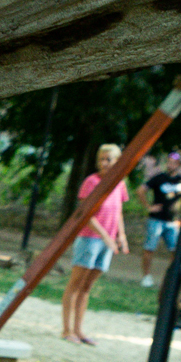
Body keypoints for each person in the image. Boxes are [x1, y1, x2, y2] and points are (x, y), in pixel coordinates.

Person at [60, 145, 129, 346]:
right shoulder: (91, 182)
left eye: (109, 159)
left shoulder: (120, 184)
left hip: (106, 241)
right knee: (75, 284)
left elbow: (119, 211)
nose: (104, 163)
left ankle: (79, 330)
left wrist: (120, 234)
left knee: (87, 287)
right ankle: (67, 330)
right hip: (90, 239)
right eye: (101, 159)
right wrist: (105, 236)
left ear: (118, 161)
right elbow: (86, 214)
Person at [139, 155, 181, 282]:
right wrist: (148, 207)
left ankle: (170, 277)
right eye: (169, 162)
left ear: (178, 165)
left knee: (175, 250)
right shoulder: (159, 178)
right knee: (150, 248)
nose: (171, 165)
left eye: (174, 163)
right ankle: (146, 276)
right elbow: (141, 190)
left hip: (172, 221)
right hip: (156, 220)